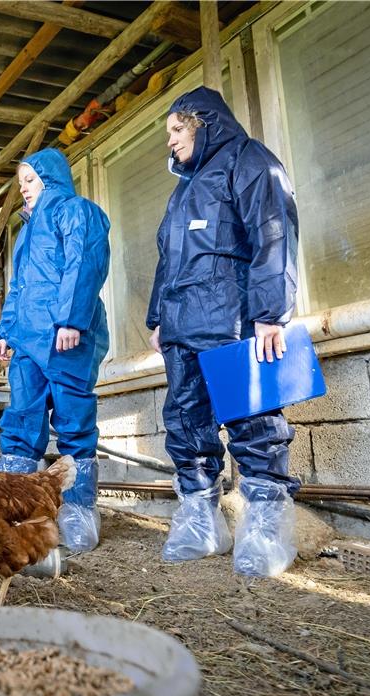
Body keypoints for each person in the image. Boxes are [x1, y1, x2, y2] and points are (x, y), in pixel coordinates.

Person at [147, 87, 299, 577]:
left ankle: (266, 526)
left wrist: (271, 312)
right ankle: (200, 520)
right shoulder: (180, 193)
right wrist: (157, 318)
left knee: (252, 416)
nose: (169, 140)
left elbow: (273, 230)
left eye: (176, 128)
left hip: (232, 316)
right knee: (186, 421)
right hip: (182, 325)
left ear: (203, 122)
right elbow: (167, 260)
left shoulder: (249, 160)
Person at [0, 147, 111, 568]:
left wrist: (71, 320)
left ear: (51, 178)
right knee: (21, 419)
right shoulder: (24, 233)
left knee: (73, 419)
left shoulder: (77, 211)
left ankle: (79, 509)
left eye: (30, 179)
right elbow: (19, 286)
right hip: (27, 341)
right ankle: (17, 508)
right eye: (20, 181)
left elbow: (84, 264)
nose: (23, 187)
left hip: (65, 338)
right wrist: (6, 331)